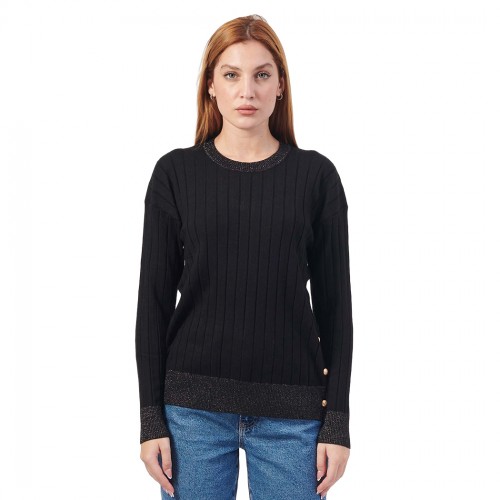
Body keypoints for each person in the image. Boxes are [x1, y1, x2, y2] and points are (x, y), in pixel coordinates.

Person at [135, 14, 354, 499]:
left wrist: (337, 422)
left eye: (262, 74)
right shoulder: (175, 174)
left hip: (294, 417)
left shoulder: (316, 178)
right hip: (191, 414)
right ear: (211, 86)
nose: (247, 91)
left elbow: (336, 309)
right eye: (231, 74)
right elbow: (153, 305)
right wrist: (151, 418)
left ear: (280, 86)